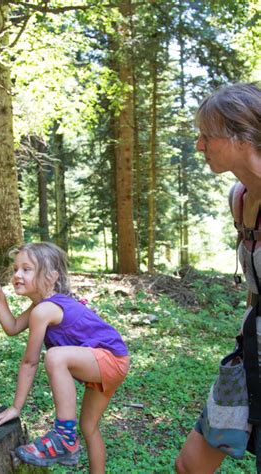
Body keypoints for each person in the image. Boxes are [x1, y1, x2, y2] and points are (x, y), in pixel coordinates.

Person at [0, 242, 129, 472]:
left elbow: (30, 362)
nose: (17, 275)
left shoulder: (45, 310)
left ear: (51, 277)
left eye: (26, 269)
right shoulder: (40, 307)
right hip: (114, 360)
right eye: (15, 269)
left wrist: (15, 407)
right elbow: (12, 327)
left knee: (55, 356)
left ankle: (64, 436)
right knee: (89, 427)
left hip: (109, 358)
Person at [175, 82, 261, 473]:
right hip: (251, 356)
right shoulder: (239, 198)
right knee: (191, 465)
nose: (198, 146)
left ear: (242, 137)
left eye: (206, 136)